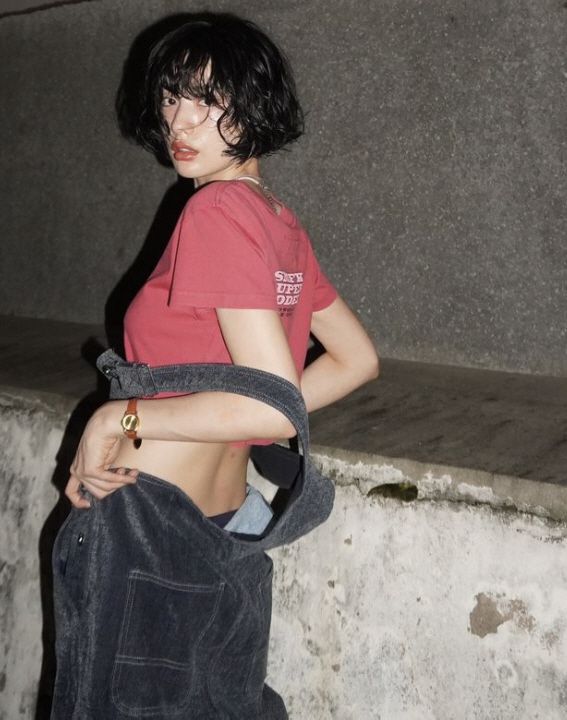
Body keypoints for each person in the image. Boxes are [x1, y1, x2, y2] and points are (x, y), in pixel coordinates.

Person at [50, 12, 379, 720]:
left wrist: (118, 417)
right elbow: (355, 360)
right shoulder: (278, 221)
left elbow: (269, 401)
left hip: (149, 527)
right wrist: (237, 415)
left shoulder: (216, 211)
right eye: (171, 98)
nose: (180, 120)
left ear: (255, 103)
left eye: (208, 99)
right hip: (228, 527)